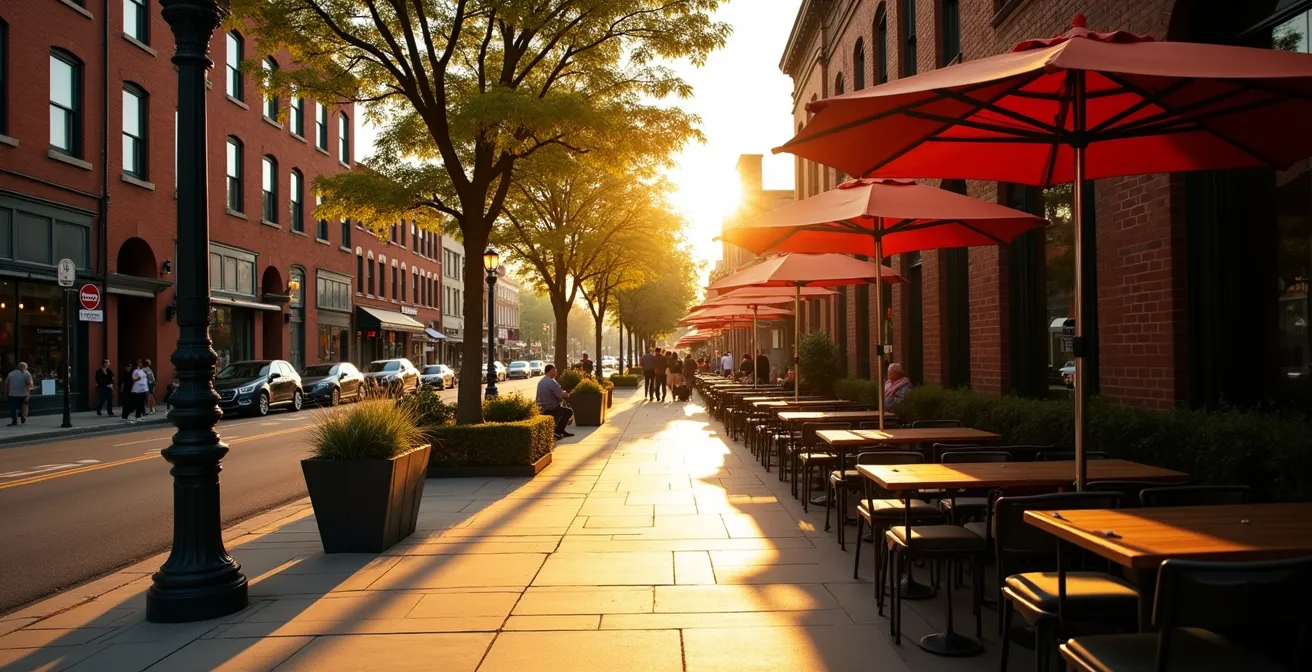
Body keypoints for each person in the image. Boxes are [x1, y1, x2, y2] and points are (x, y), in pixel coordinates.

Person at [536, 364, 574, 439]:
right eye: (555, 370)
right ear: (551, 371)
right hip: (550, 408)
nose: (556, 372)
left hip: (541, 407)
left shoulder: (541, 381)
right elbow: (561, 395)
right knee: (569, 411)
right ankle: (558, 431)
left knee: (563, 409)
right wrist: (567, 394)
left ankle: (560, 431)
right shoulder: (551, 382)